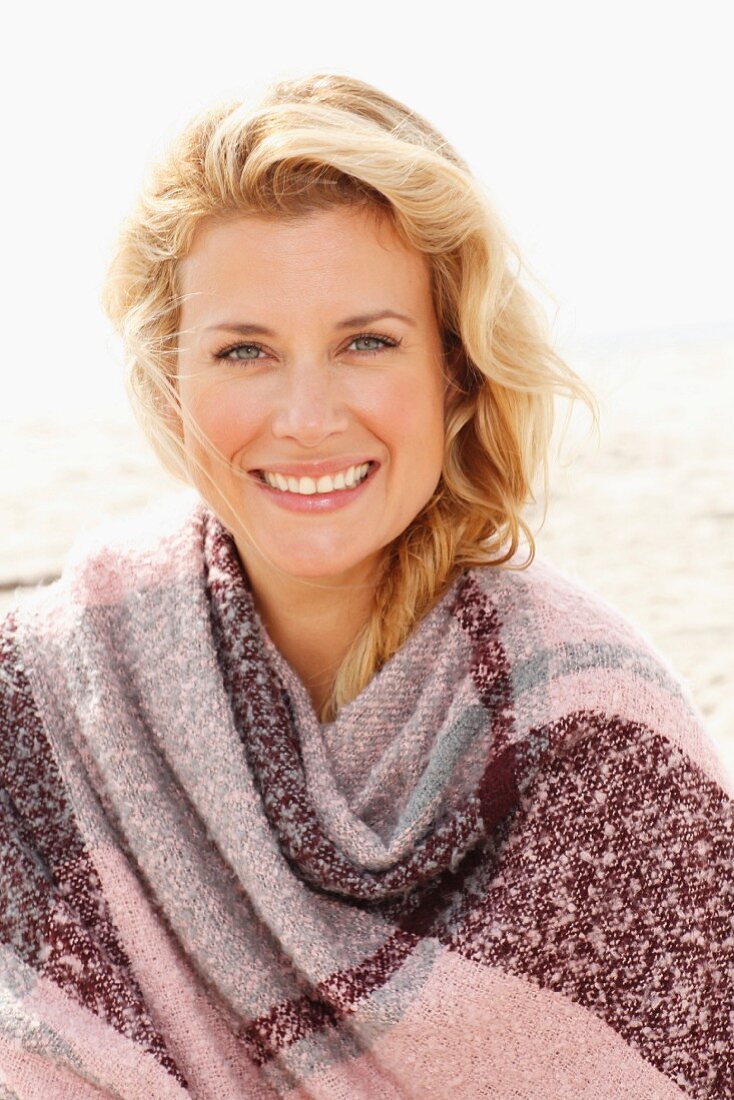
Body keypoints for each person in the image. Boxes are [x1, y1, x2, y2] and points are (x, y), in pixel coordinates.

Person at [0, 71, 731, 1099]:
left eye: (367, 341)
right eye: (243, 349)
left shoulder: (593, 727)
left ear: (456, 368)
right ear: (176, 379)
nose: (304, 415)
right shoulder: (42, 697)